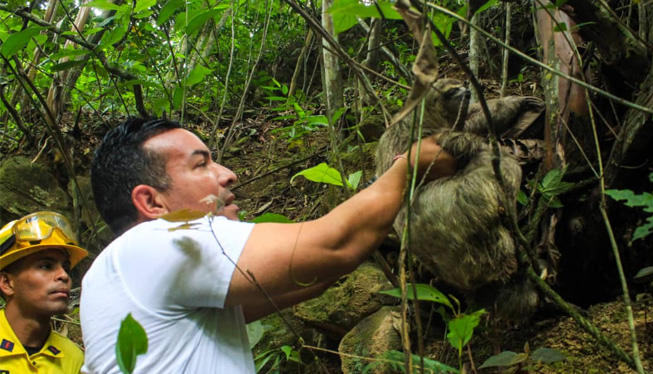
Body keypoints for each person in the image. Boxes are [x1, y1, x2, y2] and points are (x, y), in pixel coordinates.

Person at [80, 117, 457, 373]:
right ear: (152, 203)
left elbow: (314, 274)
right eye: (201, 165)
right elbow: (335, 246)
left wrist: (381, 199)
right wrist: (407, 168)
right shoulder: (155, 243)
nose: (228, 174)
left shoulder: (128, 274)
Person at [0, 211, 89, 374]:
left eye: (66, 268)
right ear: (7, 283)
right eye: (46, 266)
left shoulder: (73, 359)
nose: (64, 276)